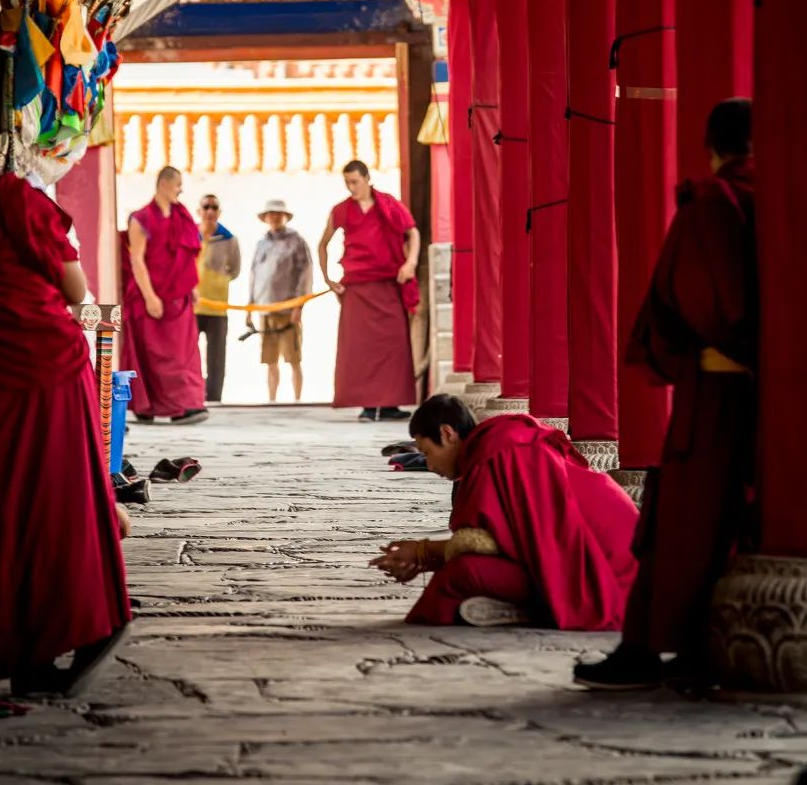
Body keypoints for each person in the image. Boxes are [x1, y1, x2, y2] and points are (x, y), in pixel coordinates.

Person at [574, 98, 756, 691]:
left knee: (682, 521)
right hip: (774, 393)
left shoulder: (713, 203)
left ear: (712, 146)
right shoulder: (774, 196)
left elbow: (698, 300)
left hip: (717, 393)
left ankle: (652, 649)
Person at [0, 102, 130, 695]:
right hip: (45, 369)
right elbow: (74, 287)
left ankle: (3, 644)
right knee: (59, 502)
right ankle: (76, 629)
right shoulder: (16, 198)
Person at [371, 394, 639, 627]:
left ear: (447, 434)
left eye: (427, 453)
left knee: (462, 573)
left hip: (608, 569)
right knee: (459, 573)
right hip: (599, 556)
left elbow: (490, 541)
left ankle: (535, 611)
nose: (428, 465)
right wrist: (423, 556)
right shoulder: (490, 450)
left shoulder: (501, 452)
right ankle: (530, 608)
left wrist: (422, 551)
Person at [319, 160, 418, 422]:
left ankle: (389, 405)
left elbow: (413, 232)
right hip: (358, 288)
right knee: (359, 348)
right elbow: (323, 244)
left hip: (387, 284)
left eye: (355, 182)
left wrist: (411, 263)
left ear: (366, 179)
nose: (352, 188)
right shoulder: (342, 210)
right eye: (347, 183)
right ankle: (366, 404)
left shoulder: (388, 204)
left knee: (393, 345)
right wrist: (328, 279)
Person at [122, 165, 208, 425]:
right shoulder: (141, 218)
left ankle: (185, 405)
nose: (180, 189)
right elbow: (136, 259)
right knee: (152, 354)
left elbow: (186, 254)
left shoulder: (181, 216)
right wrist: (149, 296)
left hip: (177, 296)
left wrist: (192, 287)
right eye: (177, 183)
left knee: (183, 354)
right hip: (151, 294)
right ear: (163, 184)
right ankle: (147, 406)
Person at [247, 198, 313, 403]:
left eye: (278, 213)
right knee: (270, 359)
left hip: (288, 308)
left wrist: (299, 305)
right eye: (271, 214)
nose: (274, 217)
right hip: (265, 308)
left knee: (293, 357)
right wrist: (250, 307)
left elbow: (305, 274)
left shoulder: (296, 241)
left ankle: (297, 399)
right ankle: (272, 399)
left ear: (285, 216)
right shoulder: (261, 244)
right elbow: (253, 275)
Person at [195, 193, 240, 403]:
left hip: (217, 306)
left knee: (216, 356)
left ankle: (214, 397)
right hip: (193, 305)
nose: (210, 211)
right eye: (206, 207)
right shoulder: (191, 234)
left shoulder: (229, 239)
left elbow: (235, 269)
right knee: (189, 353)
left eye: (214, 207)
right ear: (200, 211)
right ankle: (193, 394)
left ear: (219, 212)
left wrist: (218, 280)